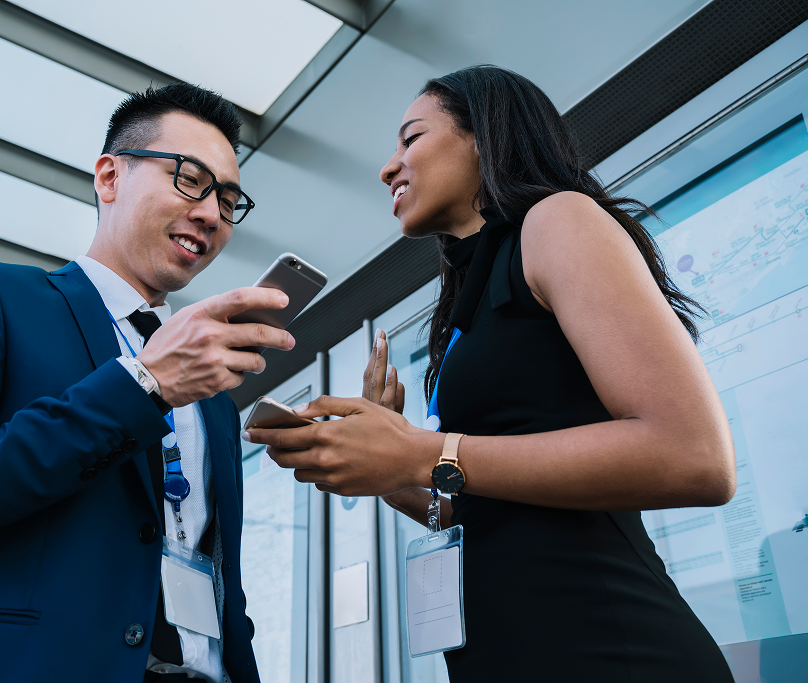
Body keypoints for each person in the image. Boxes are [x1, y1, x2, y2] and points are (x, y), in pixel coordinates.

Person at [246, 66, 737, 682]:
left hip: (606, 649)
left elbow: (694, 456)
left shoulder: (560, 219)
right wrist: (383, 463)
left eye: (411, 138)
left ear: (483, 134)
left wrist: (423, 452)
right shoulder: (469, 295)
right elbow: (479, 510)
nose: (388, 167)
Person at [0, 83, 294, 683]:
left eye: (229, 199)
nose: (212, 213)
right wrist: (142, 385)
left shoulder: (213, 393)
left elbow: (215, 575)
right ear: (109, 177)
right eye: (190, 179)